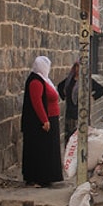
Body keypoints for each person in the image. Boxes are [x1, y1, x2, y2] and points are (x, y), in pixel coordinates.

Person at [21, 56, 63, 188]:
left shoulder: (44, 79)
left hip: (51, 118)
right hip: (43, 121)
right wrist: (44, 120)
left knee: (49, 149)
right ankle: (39, 177)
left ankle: (48, 176)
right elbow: (37, 102)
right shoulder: (36, 81)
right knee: (42, 150)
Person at [58, 61, 103, 142]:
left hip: (81, 111)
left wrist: (92, 97)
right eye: (76, 66)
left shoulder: (87, 81)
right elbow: (60, 86)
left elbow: (101, 90)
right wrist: (64, 97)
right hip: (70, 111)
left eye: (80, 67)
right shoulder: (69, 80)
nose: (78, 69)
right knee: (69, 135)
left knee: (80, 135)